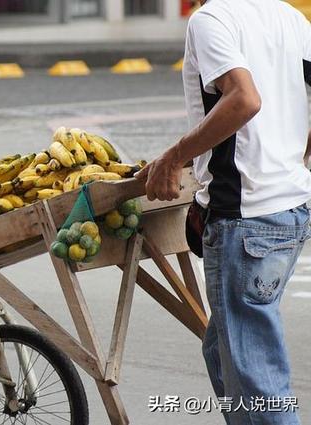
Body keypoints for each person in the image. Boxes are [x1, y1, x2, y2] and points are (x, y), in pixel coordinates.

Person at [135, 0, 311, 424]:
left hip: (245, 220)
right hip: (292, 209)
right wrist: (296, 161)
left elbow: (243, 99)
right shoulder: (290, 16)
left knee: (257, 385)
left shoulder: (211, 19)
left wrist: (174, 157)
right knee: (222, 350)